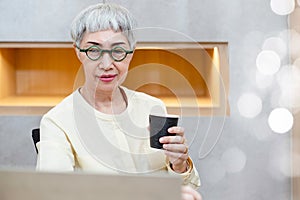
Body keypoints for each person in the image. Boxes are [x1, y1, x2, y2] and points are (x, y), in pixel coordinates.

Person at [36, 2, 201, 200]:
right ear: (78, 52)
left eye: (118, 51)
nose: (107, 65)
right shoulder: (57, 121)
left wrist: (179, 165)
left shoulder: (152, 107)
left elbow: (186, 190)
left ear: (131, 52)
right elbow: (53, 194)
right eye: (94, 51)